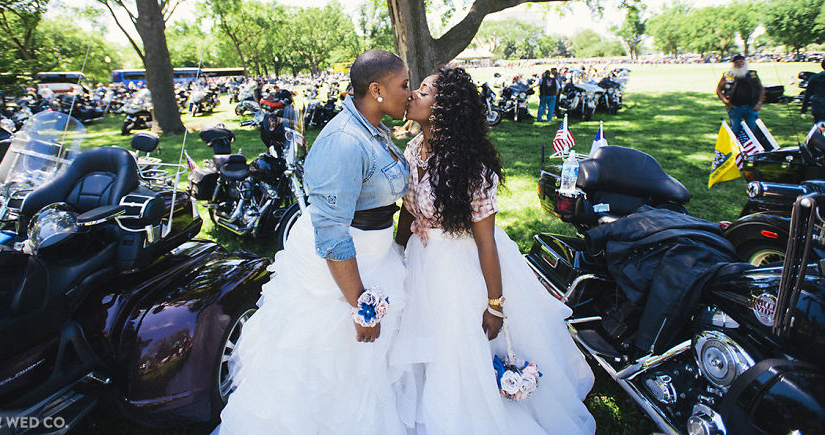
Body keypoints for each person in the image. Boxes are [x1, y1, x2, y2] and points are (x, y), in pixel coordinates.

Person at [391, 67, 595, 435]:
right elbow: (408, 212)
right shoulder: (413, 148)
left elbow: (486, 242)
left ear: (444, 109)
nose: (413, 96)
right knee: (425, 342)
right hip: (423, 265)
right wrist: (395, 253)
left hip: (461, 268)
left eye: (423, 91)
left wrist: (494, 305)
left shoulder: (473, 169)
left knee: (459, 348)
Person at [217, 50, 412, 435]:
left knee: (368, 371)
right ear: (376, 90)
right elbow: (332, 233)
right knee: (329, 367)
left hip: (374, 258)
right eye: (403, 85)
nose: (410, 91)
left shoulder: (375, 130)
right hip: (339, 273)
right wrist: (362, 307)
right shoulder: (343, 141)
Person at [716, 54, 765, 135]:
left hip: (751, 107)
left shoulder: (753, 75)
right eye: (737, 62)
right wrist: (725, 101)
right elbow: (718, 90)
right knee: (735, 131)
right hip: (735, 108)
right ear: (733, 64)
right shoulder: (727, 76)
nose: (739, 64)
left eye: (741, 62)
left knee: (753, 132)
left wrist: (759, 103)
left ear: (745, 62)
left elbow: (761, 89)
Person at [802, 57, 825, 123]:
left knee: (820, 128)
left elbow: (807, 94)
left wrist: (803, 109)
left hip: (818, 107)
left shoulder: (814, 77)